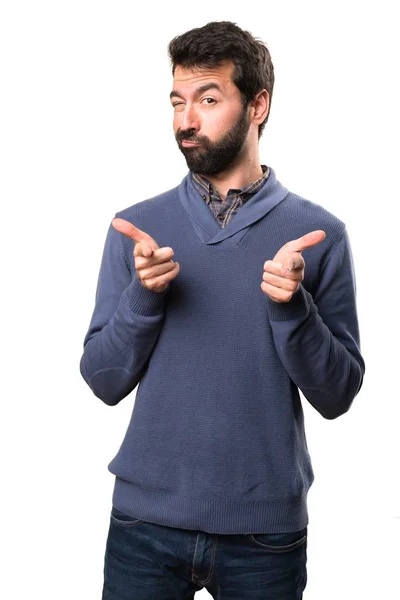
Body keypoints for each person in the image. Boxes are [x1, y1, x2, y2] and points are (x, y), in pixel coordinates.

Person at [80, 20, 365, 600]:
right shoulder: (138, 230)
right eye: (178, 101)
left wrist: (294, 309)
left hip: (266, 536)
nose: (187, 120)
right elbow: (102, 381)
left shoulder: (318, 235)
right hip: (144, 528)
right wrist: (143, 298)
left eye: (208, 100)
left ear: (258, 105)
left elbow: (337, 396)